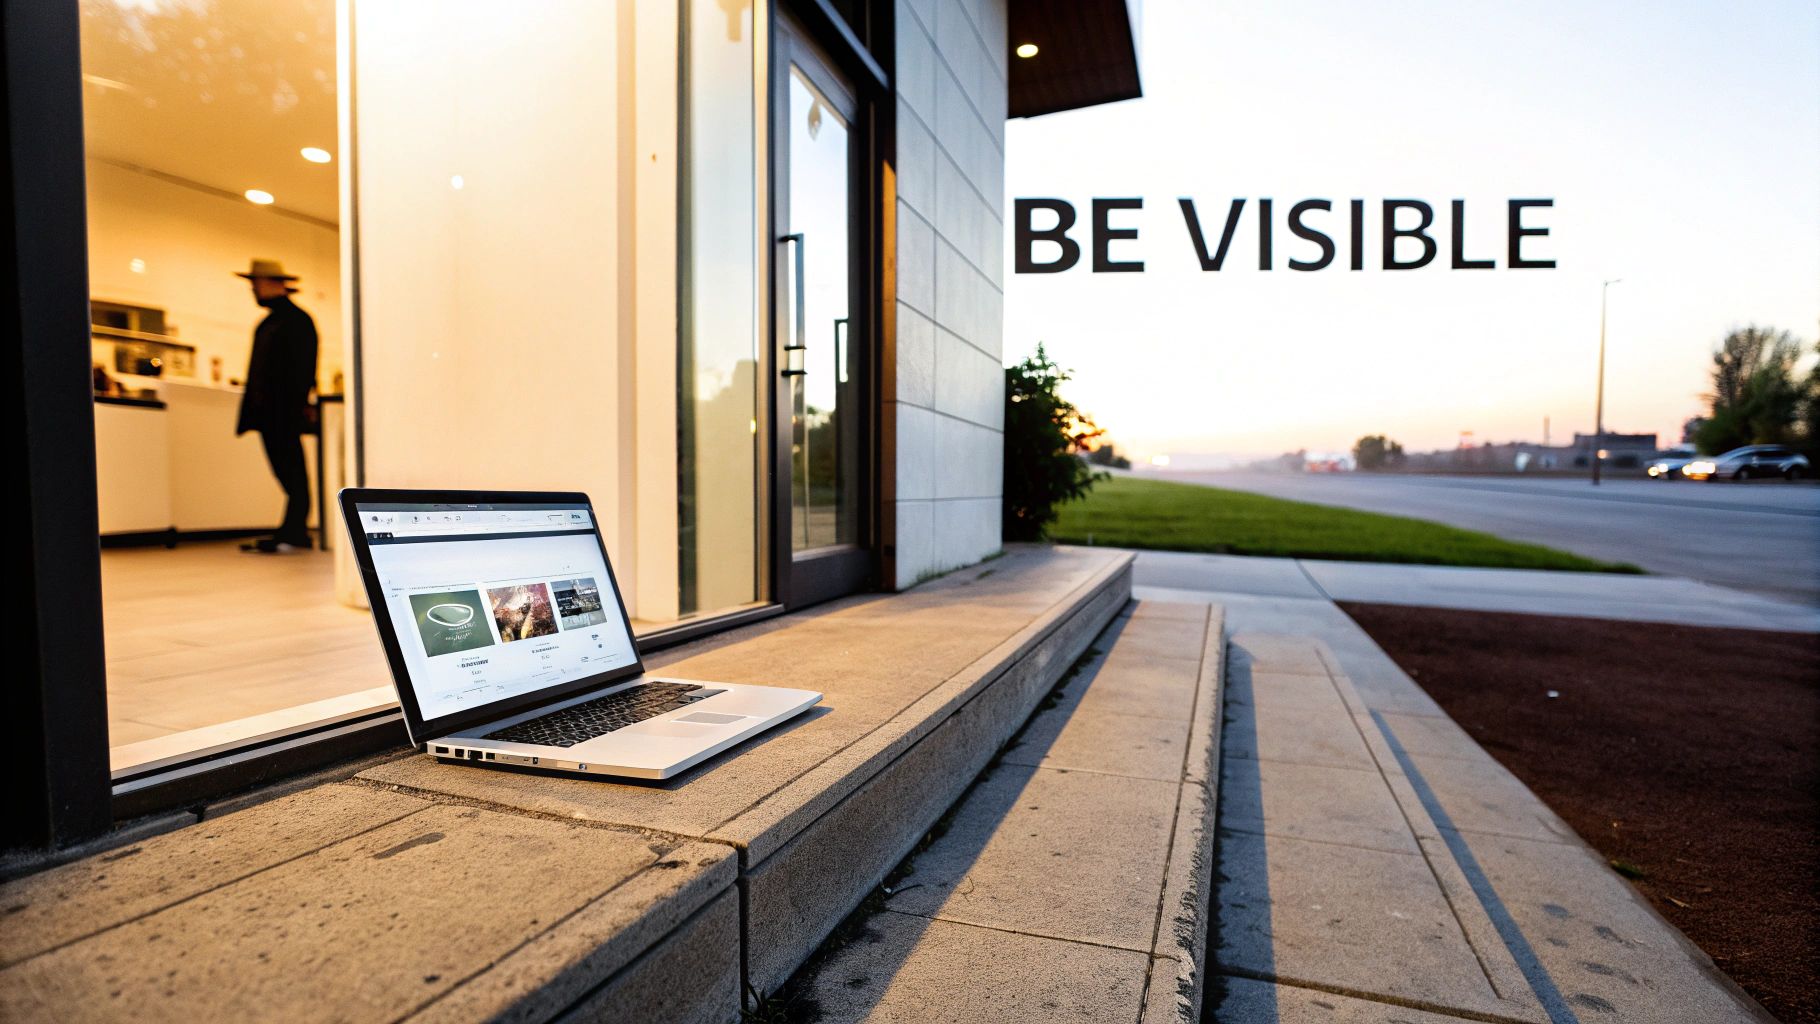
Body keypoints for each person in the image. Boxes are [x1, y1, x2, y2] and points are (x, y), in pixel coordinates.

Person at [233, 259, 319, 554]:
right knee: (286, 470)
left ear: (272, 283)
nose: (253, 291)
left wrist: (293, 408)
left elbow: (303, 370)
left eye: (254, 284)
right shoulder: (274, 322)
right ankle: (292, 529)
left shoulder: (294, 321)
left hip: (281, 413)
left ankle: (294, 530)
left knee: (291, 471)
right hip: (272, 413)